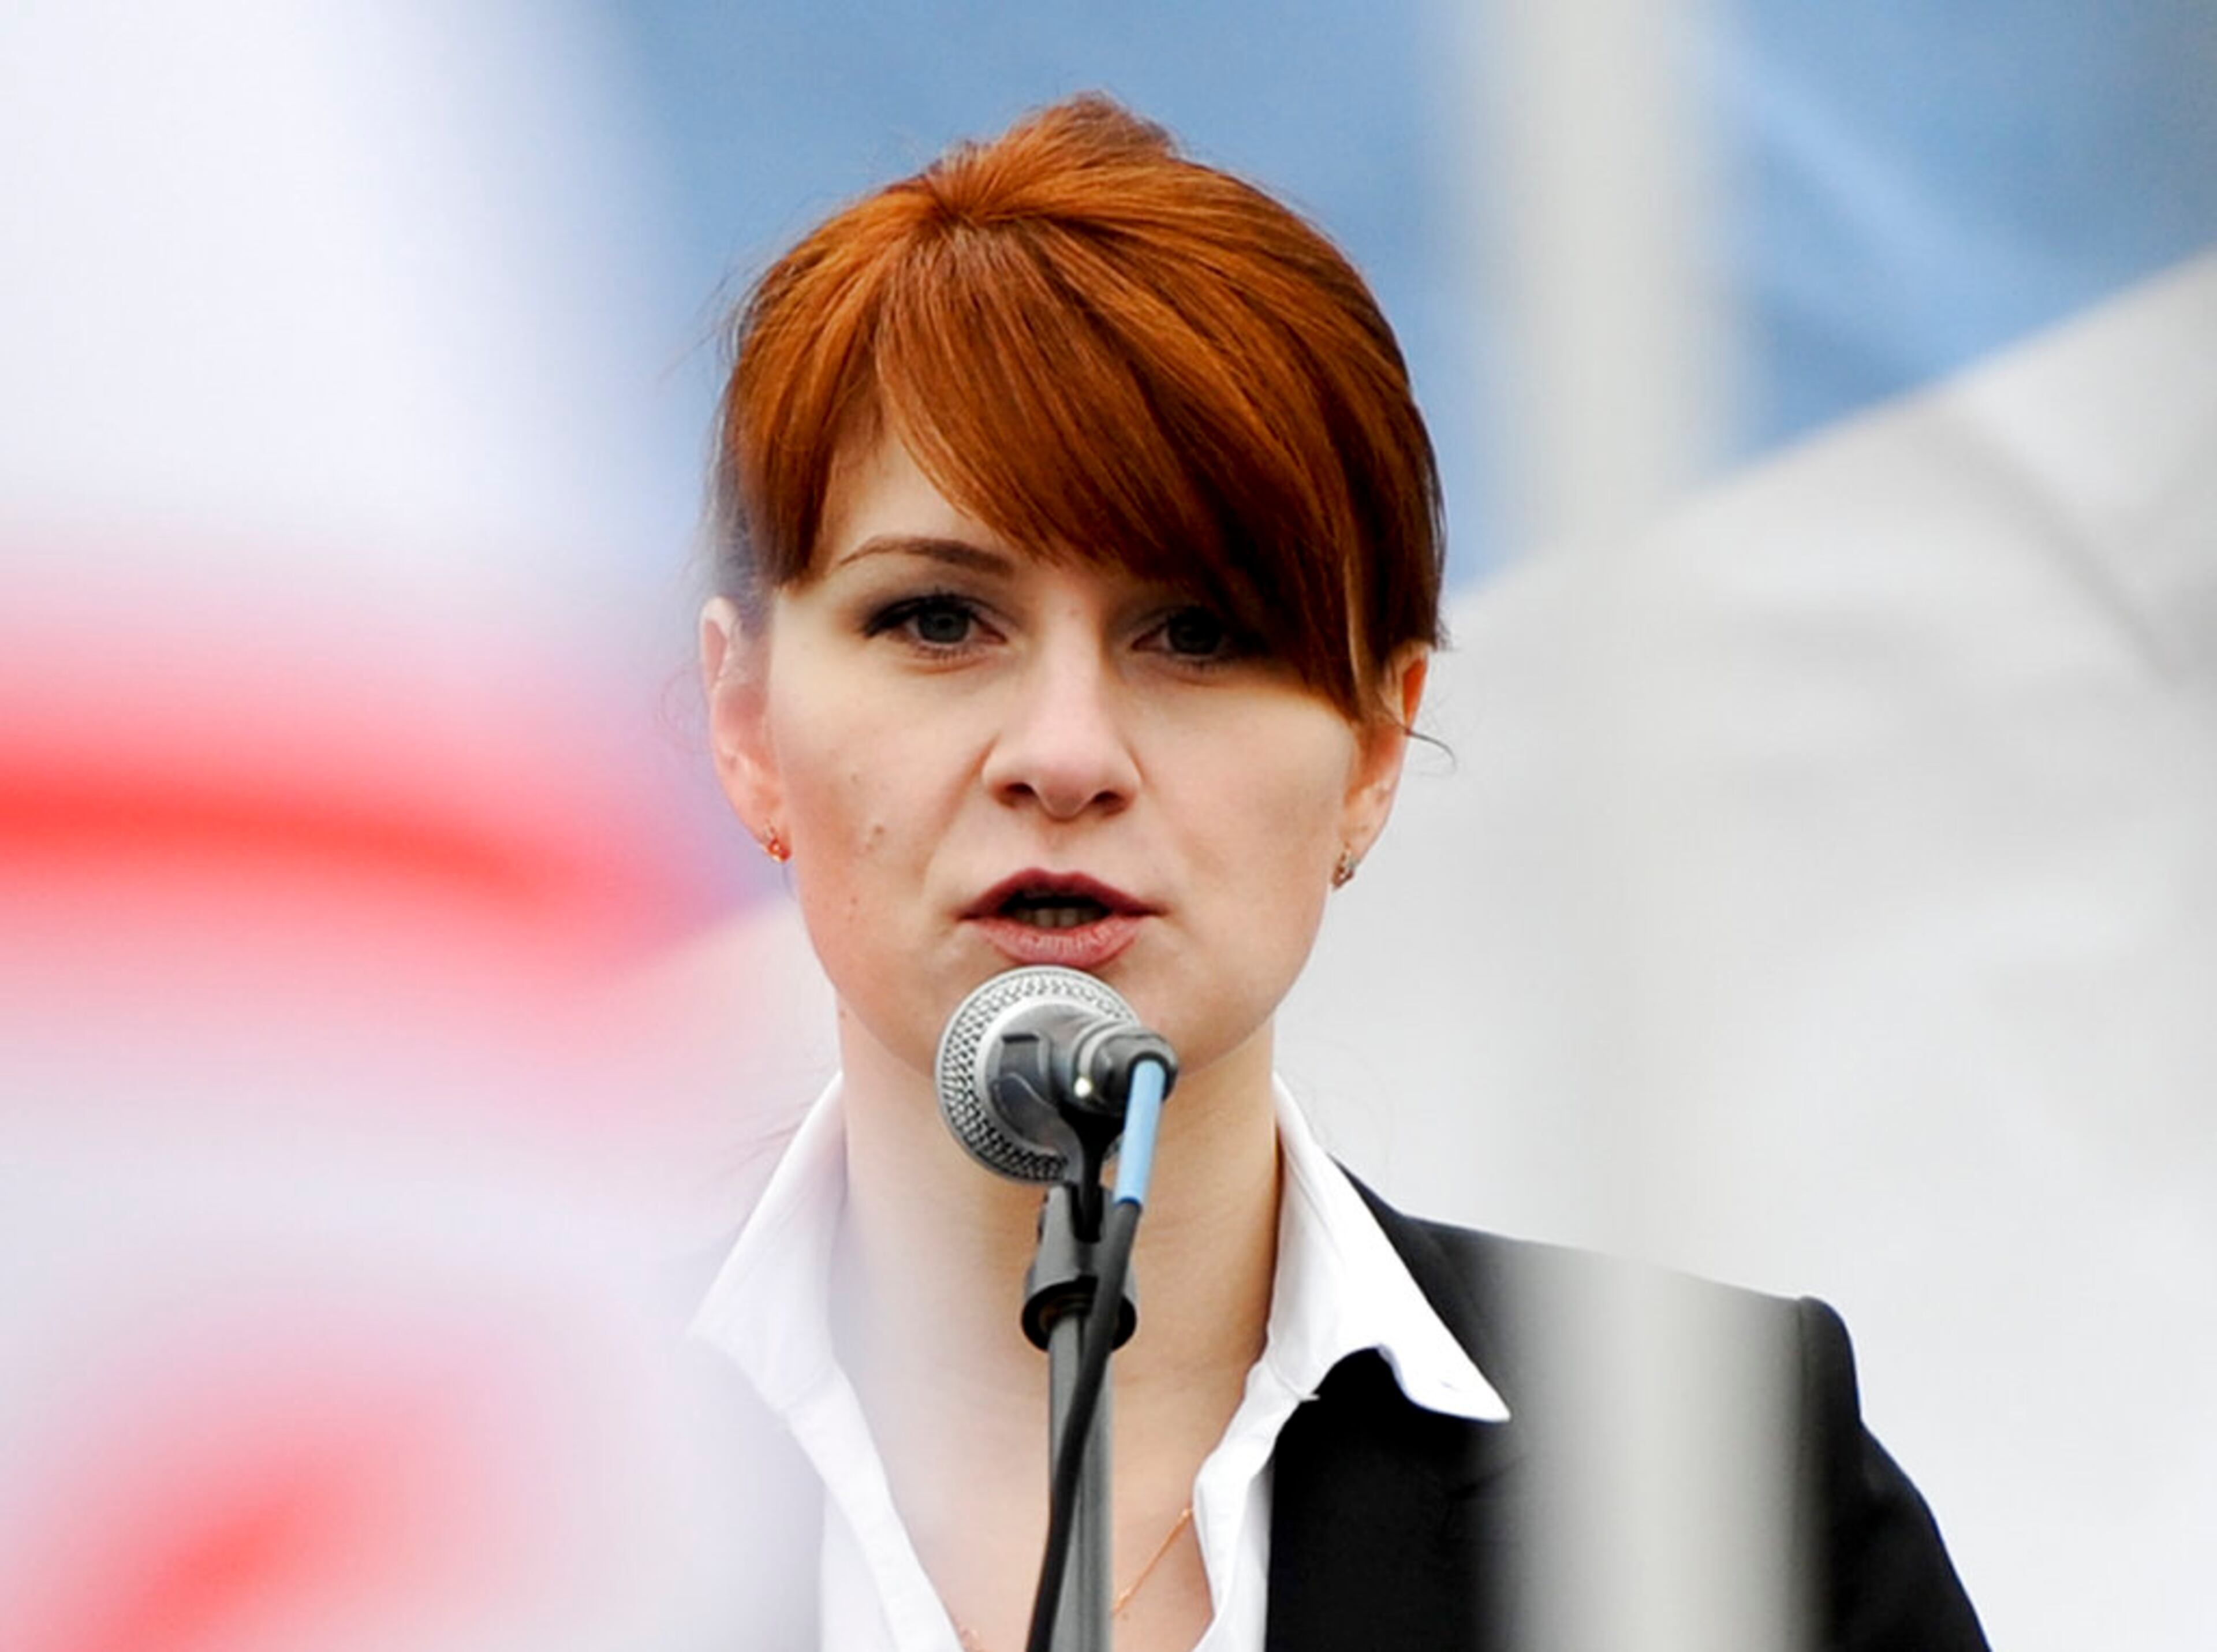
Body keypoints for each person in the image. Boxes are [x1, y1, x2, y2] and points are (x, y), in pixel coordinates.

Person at [688, 94, 1987, 1651]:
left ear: (1377, 751)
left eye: (1199, 634)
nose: (1066, 753)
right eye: (939, 622)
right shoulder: (464, 1466)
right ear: (750, 722)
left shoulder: (1704, 1473)